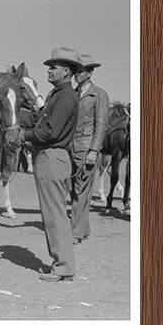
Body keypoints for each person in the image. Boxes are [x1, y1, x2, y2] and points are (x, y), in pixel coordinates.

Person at [23, 47, 81, 282]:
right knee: (54, 214)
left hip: (52, 158)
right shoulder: (57, 95)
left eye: (54, 67)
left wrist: (23, 135)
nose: (49, 70)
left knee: (54, 215)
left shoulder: (65, 97)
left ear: (66, 72)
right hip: (51, 158)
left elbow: (49, 131)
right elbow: (40, 120)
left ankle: (63, 266)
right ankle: (62, 264)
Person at [71, 53, 111, 243]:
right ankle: (83, 229)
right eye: (75, 71)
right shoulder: (73, 93)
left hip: (86, 148)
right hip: (70, 147)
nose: (76, 75)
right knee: (74, 190)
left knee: (82, 190)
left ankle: (76, 232)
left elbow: (101, 124)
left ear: (89, 73)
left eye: (79, 71)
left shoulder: (99, 94)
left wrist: (94, 151)